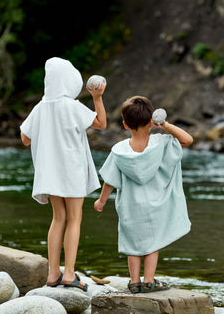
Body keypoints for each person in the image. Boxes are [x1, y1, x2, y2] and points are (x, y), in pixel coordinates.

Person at [20, 57, 106, 291]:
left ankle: (52, 273)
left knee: (58, 218)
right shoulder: (72, 105)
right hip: (72, 170)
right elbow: (101, 123)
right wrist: (97, 98)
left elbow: (25, 138)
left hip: (51, 173)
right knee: (75, 218)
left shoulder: (40, 107)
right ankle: (69, 273)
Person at [94, 96, 193, 293]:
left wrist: (101, 200)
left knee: (133, 245)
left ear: (124, 124)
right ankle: (149, 281)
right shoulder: (162, 143)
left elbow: (110, 180)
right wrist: (164, 125)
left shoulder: (119, 150)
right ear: (151, 123)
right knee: (152, 244)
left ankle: (133, 282)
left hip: (130, 205)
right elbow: (187, 140)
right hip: (155, 203)